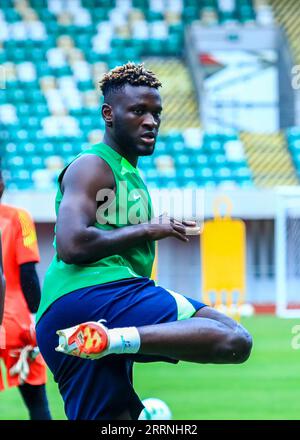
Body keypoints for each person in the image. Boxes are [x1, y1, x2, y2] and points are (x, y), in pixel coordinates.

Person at [36, 63, 252, 420]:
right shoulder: (93, 165)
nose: (151, 121)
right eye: (138, 111)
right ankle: (113, 341)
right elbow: (71, 244)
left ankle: (108, 345)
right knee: (233, 338)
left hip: (61, 324)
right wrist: (150, 229)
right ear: (109, 114)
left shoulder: (127, 173)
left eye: (156, 113)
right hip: (97, 294)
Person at [0, 170, 51, 420]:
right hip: (14, 321)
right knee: (37, 404)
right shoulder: (19, 217)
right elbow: (27, 272)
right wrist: (36, 317)